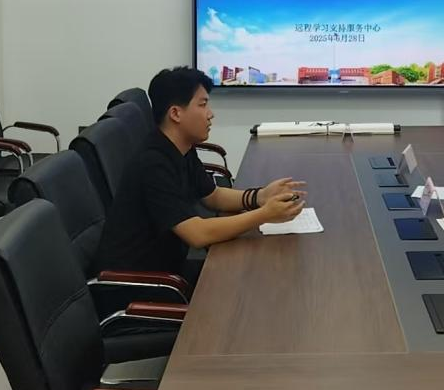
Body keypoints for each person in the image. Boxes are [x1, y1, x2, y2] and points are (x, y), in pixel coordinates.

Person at [99, 67, 306, 280]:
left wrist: (260, 196)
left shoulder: (181, 146)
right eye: (202, 104)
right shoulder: (153, 164)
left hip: (168, 269)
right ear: (176, 113)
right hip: (140, 284)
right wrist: (264, 215)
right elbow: (197, 234)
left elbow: (213, 196)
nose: (210, 114)